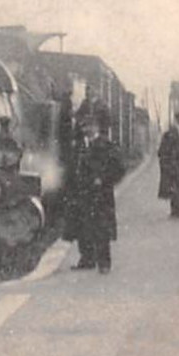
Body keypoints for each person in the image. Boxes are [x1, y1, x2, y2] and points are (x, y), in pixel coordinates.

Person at [65, 114, 124, 274]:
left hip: (100, 194)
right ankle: (87, 259)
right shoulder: (79, 146)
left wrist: (103, 180)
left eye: (90, 126)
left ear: (97, 127)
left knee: (101, 229)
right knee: (83, 227)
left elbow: (118, 168)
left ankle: (104, 263)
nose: (87, 130)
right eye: (84, 127)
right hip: (81, 192)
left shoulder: (106, 145)